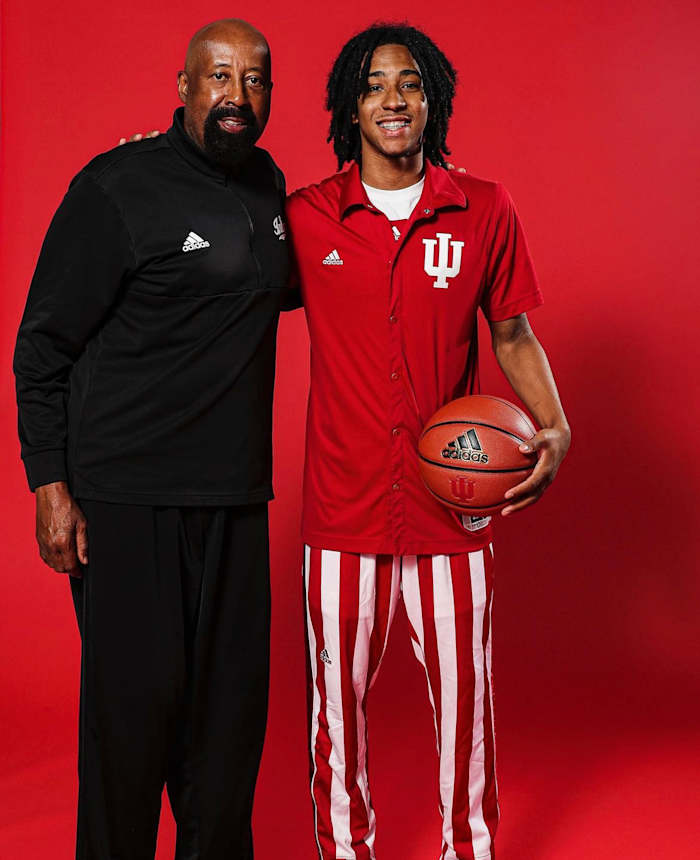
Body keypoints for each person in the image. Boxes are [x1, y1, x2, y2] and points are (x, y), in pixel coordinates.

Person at [283, 23, 571, 860]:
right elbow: (222, 282)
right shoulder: (305, 217)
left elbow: (512, 333)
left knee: (465, 704)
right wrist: (157, 161)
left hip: (455, 507)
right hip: (342, 510)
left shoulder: (482, 207)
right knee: (335, 709)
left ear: (432, 98)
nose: (393, 99)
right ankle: (346, 850)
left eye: (409, 83)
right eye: (373, 85)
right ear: (350, 105)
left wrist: (555, 425)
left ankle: (467, 850)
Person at [13, 19, 289, 860]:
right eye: (218, 77)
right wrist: (50, 485)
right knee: (129, 741)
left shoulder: (271, 189)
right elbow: (42, 343)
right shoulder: (116, 186)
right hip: (127, 505)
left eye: (253, 80)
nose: (235, 96)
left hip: (237, 503)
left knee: (227, 745)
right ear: (182, 87)